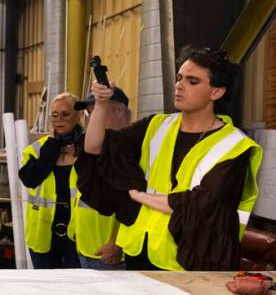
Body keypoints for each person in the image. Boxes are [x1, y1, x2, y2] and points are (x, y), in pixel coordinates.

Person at [84, 47, 262, 271]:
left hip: (189, 258)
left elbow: (198, 206)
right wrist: (101, 105)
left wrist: (138, 195)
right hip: (139, 249)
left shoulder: (234, 146)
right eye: (179, 78)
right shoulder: (157, 125)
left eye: (192, 81)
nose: (179, 85)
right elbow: (94, 147)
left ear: (216, 92)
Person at [18, 93, 84, 269]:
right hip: (43, 234)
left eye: (65, 114)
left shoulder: (88, 149)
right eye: (54, 115)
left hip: (78, 234)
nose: (59, 120)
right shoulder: (37, 149)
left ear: (78, 116)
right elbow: (30, 179)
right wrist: (52, 146)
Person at [70, 88, 132, 270]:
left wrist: (117, 243)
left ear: (120, 112)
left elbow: (131, 205)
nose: (90, 118)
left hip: (108, 253)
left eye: (98, 110)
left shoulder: (127, 151)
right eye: (89, 112)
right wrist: (75, 230)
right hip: (85, 247)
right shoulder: (92, 151)